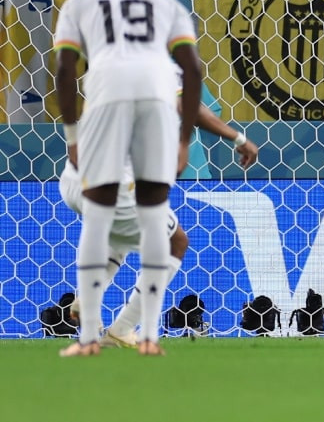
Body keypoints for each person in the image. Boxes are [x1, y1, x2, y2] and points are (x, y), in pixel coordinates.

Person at [53, 0, 204, 357]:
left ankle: (95, 323)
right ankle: (124, 329)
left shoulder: (79, 6)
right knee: (171, 241)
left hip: (86, 158)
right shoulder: (165, 11)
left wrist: (71, 136)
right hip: (126, 164)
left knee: (108, 231)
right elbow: (192, 74)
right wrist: (189, 140)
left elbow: (64, 71)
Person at [61, 66, 260, 347]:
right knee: (175, 243)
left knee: (122, 234)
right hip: (112, 182)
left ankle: (88, 299)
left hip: (73, 181)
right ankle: (122, 328)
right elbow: (189, 109)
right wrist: (239, 138)